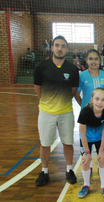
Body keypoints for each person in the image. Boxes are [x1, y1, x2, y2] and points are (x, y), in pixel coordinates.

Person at [33, 35, 79, 186]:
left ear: (67, 49)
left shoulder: (72, 69)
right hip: (46, 113)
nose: (60, 48)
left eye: (63, 46)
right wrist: (47, 102)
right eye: (57, 45)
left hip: (66, 112)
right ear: (52, 47)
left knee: (68, 143)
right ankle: (44, 172)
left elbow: (73, 90)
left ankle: (69, 170)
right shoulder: (41, 67)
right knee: (45, 144)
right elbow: (37, 87)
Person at [75, 49, 104, 173]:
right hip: (87, 117)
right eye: (91, 59)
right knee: (85, 143)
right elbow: (77, 93)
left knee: (100, 143)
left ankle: (102, 168)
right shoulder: (82, 75)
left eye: (96, 59)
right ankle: (87, 168)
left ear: (100, 60)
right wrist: (84, 107)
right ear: (86, 60)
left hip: (100, 117)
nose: (93, 61)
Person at [77, 88, 104, 199]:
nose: (99, 102)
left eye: (103, 100)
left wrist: (102, 150)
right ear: (92, 99)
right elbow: (82, 133)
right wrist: (87, 152)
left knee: (102, 159)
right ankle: (86, 185)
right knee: (86, 161)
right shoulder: (85, 112)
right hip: (86, 139)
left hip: (99, 137)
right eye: (97, 99)